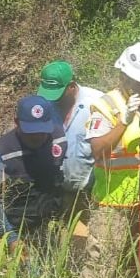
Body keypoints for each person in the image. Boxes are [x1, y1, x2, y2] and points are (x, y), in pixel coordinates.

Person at [82, 42, 140, 264]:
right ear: (125, 77)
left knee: (134, 266)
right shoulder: (106, 105)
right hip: (113, 205)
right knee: (101, 266)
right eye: (138, 83)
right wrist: (123, 122)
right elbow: (97, 150)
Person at [0, 95, 67, 251]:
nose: (38, 137)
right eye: (31, 131)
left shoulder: (58, 137)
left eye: (42, 130)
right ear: (17, 122)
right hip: (18, 228)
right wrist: (11, 238)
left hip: (51, 223)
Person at [38, 60, 103, 208]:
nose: (53, 99)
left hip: (92, 191)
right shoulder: (46, 105)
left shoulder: (97, 104)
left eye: (58, 95)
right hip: (59, 189)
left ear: (72, 86)